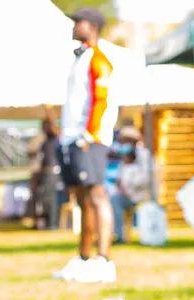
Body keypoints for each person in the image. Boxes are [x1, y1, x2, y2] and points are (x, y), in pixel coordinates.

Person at [52, 7, 120, 284]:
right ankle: (83, 259)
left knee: (96, 195)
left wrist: (89, 135)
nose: (73, 25)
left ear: (91, 26)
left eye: (77, 22)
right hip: (72, 139)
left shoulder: (98, 59)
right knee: (82, 199)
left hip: (89, 141)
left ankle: (104, 260)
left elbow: (100, 100)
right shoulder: (78, 58)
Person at [110, 126, 154, 243]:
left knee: (115, 201)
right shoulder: (124, 157)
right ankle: (118, 235)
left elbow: (146, 177)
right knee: (113, 200)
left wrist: (129, 185)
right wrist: (120, 185)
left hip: (141, 194)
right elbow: (120, 176)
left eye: (126, 141)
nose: (124, 144)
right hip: (125, 194)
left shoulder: (144, 155)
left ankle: (120, 236)